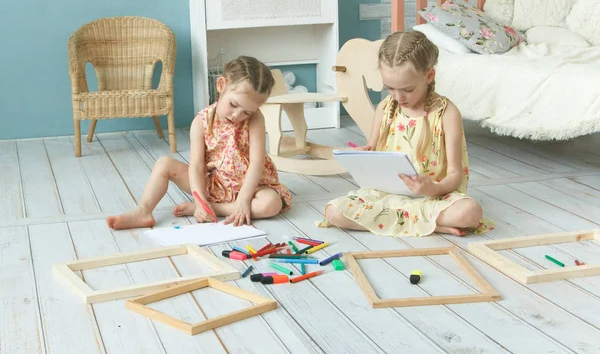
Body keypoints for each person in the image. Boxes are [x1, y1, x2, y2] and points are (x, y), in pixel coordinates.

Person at [320, 31, 494, 236]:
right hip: (388, 197)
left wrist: (432, 189)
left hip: (433, 199)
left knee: (470, 212)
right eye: (390, 88)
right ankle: (432, 225)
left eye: (408, 89)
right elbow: (373, 151)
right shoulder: (385, 108)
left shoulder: (447, 113)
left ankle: (407, 221)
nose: (398, 96)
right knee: (333, 212)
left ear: (429, 76)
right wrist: (361, 156)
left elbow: (455, 175)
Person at [107, 56, 292, 230]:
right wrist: (200, 199)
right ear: (221, 85)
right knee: (164, 164)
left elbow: (257, 163)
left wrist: (244, 199)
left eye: (247, 112)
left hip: (252, 186)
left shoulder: (255, 119)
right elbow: (196, 166)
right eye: (234, 105)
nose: (237, 116)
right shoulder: (201, 122)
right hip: (216, 183)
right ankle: (143, 212)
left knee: (271, 204)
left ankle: (217, 208)